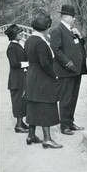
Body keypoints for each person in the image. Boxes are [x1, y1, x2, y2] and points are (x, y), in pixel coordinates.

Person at [25, 13, 62, 148]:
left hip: (31, 77)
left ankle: (31, 135)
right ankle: (47, 139)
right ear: (45, 28)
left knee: (33, 106)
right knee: (46, 106)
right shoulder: (41, 42)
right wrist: (54, 75)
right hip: (42, 78)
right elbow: (45, 63)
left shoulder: (29, 40)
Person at [50, 5, 87, 135]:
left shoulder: (72, 30)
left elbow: (80, 46)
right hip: (66, 70)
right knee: (66, 98)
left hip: (77, 70)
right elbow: (56, 49)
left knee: (73, 98)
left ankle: (70, 122)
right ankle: (64, 125)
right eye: (73, 16)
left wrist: (80, 36)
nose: (74, 19)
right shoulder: (57, 30)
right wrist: (68, 63)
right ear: (65, 17)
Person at [4, 24, 29, 133]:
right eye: (19, 33)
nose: (21, 34)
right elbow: (14, 64)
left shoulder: (18, 45)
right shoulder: (11, 47)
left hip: (20, 78)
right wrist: (28, 64)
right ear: (13, 35)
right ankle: (18, 125)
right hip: (16, 79)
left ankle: (21, 122)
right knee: (18, 101)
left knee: (22, 100)